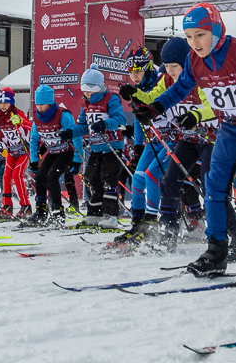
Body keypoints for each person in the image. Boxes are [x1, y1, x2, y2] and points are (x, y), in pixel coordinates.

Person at [133, 1, 236, 281]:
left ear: (216, 31)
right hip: (230, 125)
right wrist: (154, 108)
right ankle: (216, 251)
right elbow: (180, 89)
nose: (195, 42)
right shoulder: (194, 61)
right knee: (213, 187)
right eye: (189, 36)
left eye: (201, 34)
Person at [125, 37, 218, 250]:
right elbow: (152, 99)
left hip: (207, 140)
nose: (170, 72)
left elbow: (213, 108)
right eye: (166, 67)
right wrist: (134, 95)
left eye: (174, 67)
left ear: (185, 63)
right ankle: (167, 236)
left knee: (211, 186)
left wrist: (195, 115)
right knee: (169, 183)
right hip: (185, 140)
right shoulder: (166, 81)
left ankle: (226, 233)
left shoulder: (197, 80)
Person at [59, 64, 126, 229]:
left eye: (91, 90)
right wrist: (70, 133)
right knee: (91, 177)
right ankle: (94, 214)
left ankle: (111, 215)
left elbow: (120, 120)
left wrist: (104, 124)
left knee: (108, 178)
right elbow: (83, 125)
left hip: (111, 146)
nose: (88, 94)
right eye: (85, 90)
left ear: (99, 87)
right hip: (95, 147)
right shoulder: (85, 102)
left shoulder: (111, 98)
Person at [118, 46, 170, 237]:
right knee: (137, 178)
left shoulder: (160, 82)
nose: (134, 76)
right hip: (153, 142)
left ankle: (151, 223)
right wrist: (137, 148)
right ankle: (137, 224)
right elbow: (140, 122)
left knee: (151, 175)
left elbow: (152, 99)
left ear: (148, 68)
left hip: (170, 140)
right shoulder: (138, 89)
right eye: (131, 72)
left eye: (138, 71)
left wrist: (136, 96)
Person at [27, 85, 82, 226]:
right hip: (52, 152)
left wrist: (77, 159)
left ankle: (58, 212)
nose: (39, 108)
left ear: (50, 103)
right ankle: (41, 211)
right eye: (37, 104)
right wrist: (34, 160)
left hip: (66, 152)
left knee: (52, 177)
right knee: (39, 177)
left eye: (42, 104)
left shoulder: (63, 115)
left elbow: (76, 136)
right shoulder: (37, 120)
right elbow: (33, 140)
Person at [0, 88, 33, 220]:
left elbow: (31, 126)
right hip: (11, 151)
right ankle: (7, 206)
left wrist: (21, 122)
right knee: (5, 176)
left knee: (17, 175)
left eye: (6, 102)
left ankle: (25, 205)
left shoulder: (17, 113)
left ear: (11, 103)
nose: (3, 105)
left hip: (23, 150)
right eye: (1, 102)